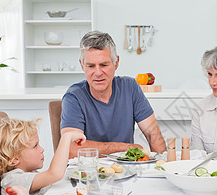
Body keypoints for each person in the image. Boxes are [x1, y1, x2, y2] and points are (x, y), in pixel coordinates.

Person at [61, 30, 166, 158]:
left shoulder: (130, 87)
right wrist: (126, 147)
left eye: (104, 65)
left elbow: (153, 134)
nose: (98, 73)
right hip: (89, 173)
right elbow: (71, 149)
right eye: (91, 66)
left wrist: (163, 165)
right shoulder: (74, 97)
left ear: (116, 63)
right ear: (82, 65)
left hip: (127, 171)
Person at [0, 118, 86, 195]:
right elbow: (55, 174)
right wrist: (66, 137)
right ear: (14, 159)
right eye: (35, 146)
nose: (42, 149)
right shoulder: (13, 181)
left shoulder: (30, 173)